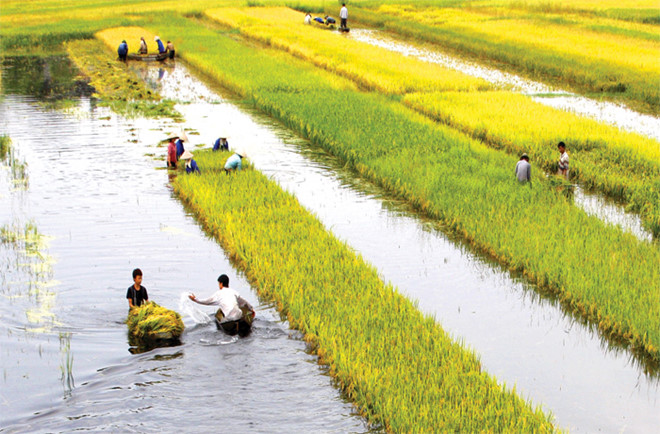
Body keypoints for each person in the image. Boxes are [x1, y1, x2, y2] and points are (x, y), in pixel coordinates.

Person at [189, 274, 255, 322]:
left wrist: (195, 300)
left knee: (222, 319)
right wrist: (251, 309)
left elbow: (207, 301)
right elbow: (244, 302)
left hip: (229, 318)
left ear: (221, 283)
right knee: (239, 311)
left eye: (219, 283)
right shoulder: (234, 292)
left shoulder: (218, 294)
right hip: (238, 315)